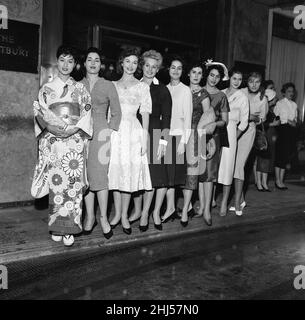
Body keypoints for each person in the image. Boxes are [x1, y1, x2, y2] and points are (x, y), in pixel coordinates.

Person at [32, 45, 93, 247]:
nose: (66, 65)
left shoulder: (81, 89)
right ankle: (56, 226)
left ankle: (70, 229)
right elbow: (39, 113)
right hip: (54, 140)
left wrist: (73, 130)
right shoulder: (47, 89)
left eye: (70, 61)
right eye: (62, 60)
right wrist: (49, 126)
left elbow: (86, 114)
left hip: (74, 141)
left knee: (73, 186)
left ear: (75, 64)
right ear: (57, 61)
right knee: (57, 183)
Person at [108, 48, 152, 235]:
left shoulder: (143, 87)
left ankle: (125, 215)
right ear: (121, 63)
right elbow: (108, 112)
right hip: (115, 132)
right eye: (128, 61)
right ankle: (117, 214)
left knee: (129, 173)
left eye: (135, 62)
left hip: (133, 131)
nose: (131, 65)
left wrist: (144, 136)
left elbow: (145, 113)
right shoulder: (112, 85)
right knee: (115, 172)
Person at [129, 50, 172, 232]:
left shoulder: (162, 89)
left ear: (158, 69)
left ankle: (149, 212)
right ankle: (139, 210)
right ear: (142, 66)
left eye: (154, 67)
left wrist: (163, 142)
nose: (150, 69)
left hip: (156, 134)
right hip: (135, 134)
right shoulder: (133, 86)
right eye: (147, 65)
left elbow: (167, 118)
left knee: (156, 178)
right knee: (138, 176)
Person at [81, 47, 121, 239]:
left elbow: (117, 112)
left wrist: (110, 131)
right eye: (90, 59)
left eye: (97, 60)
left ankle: (104, 217)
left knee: (101, 176)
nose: (93, 63)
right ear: (84, 63)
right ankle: (90, 218)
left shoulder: (108, 85)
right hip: (79, 134)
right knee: (86, 177)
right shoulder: (76, 84)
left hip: (102, 133)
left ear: (101, 64)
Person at [181, 62, 215, 226]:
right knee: (182, 172)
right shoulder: (182, 90)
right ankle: (187, 208)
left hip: (196, 136)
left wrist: (208, 140)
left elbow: (208, 118)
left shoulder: (203, 94)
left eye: (199, 73)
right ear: (188, 74)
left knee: (197, 173)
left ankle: (199, 209)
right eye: (193, 72)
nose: (196, 75)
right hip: (180, 134)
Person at [229, 72, 268, 215]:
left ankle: (237, 202)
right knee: (233, 165)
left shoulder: (263, 98)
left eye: (257, 82)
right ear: (247, 81)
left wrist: (252, 117)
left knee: (239, 164)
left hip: (248, 131)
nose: (253, 84)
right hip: (235, 129)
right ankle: (241, 198)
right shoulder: (241, 92)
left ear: (260, 83)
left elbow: (262, 119)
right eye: (251, 81)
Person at [160, 56, 193, 224]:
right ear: (168, 69)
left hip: (179, 136)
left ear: (182, 72)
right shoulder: (164, 88)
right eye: (173, 67)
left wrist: (183, 142)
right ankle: (171, 207)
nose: (175, 70)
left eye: (179, 68)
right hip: (165, 136)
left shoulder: (185, 90)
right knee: (166, 177)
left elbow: (187, 118)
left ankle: (180, 209)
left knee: (177, 177)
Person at [198, 61, 229, 226]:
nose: (214, 79)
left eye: (217, 76)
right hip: (196, 135)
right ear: (207, 75)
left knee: (209, 173)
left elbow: (225, 121)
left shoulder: (222, 96)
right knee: (198, 171)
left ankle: (207, 210)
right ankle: (201, 206)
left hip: (212, 137)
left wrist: (213, 125)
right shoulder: (198, 91)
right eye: (212, 75)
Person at [218, 70, 249, 216]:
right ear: (229, 78)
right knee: (215, 166)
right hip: (218, 130)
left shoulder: (242, 96)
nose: (236, 81)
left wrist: (234, 137)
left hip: (231, 131)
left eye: (240, 79)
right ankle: (211, 200)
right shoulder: (222, 92)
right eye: (234, 78)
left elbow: (244, 122)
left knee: (228, 168)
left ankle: (224, 202)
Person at [274, 83, 298, 190]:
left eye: (292, 91)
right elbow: (276, 117)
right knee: (280, 155)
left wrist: (294, 123)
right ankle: (277, 180)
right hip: (282, 130)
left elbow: (295, 119)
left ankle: (281, 180)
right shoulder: (279, 103)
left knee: (286, 156)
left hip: (291, 131)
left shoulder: (294, 105)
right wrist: (287, 120)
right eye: (289, 91)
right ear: (284, 92)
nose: (291, 93)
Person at [255, 89, 279, 191]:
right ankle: (259, 183)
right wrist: (272, 124)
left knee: (267, 161)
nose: (276, 100)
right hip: (263, 138)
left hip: (269, 138)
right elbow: (260, 123)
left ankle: (264, 183)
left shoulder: (270, 110)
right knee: (261, 161)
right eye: (275, 98)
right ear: (271, 99)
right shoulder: (263, 109)